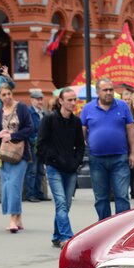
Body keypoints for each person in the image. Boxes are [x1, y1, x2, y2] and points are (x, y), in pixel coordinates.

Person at [80, 77, 134, 219]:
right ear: (98, 92)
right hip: (96, 159)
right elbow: (82, 130)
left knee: (122, 196)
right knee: (101, 198)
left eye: (111, 90)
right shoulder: (88, 108)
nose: (109, 93)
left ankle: (122, 229)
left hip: (120, 158)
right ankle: (104, 227)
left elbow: (131, 130)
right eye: (105, 90)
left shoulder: (123, 106)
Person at [38, 88, 85, 248]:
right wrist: (53, 158)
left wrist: (77, 161)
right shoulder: (49, 119)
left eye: (74, 100)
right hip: (54, 168)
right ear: (61, 101)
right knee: (61, 203)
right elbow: (41, 144)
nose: (73, 103)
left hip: (71, 168)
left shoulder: (76, 121)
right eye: (70, 100)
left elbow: (80, 145)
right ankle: (66, 236)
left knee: (66, 204)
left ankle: (56, 235)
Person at [0, 84, 35, 233]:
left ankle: (12, 220)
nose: (7, 97)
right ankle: (18, 218)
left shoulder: (21, 108)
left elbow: (30, 128)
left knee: (14, 185)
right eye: (3, 94)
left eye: (9, 93)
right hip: (4, 154)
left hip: (20, 152)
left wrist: (12, 135)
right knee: (6, 186)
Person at [24, 90, 47, 202]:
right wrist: (33, 140)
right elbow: (28, 129)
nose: (40, 101)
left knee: (40, 170)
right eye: (38, 99)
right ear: (32, 100)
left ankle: (39, 193)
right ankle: (30, 194)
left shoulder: (43, 113)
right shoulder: (29, 112)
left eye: (41, 99)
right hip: (32, 144)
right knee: (32, 170)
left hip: (42, 145)